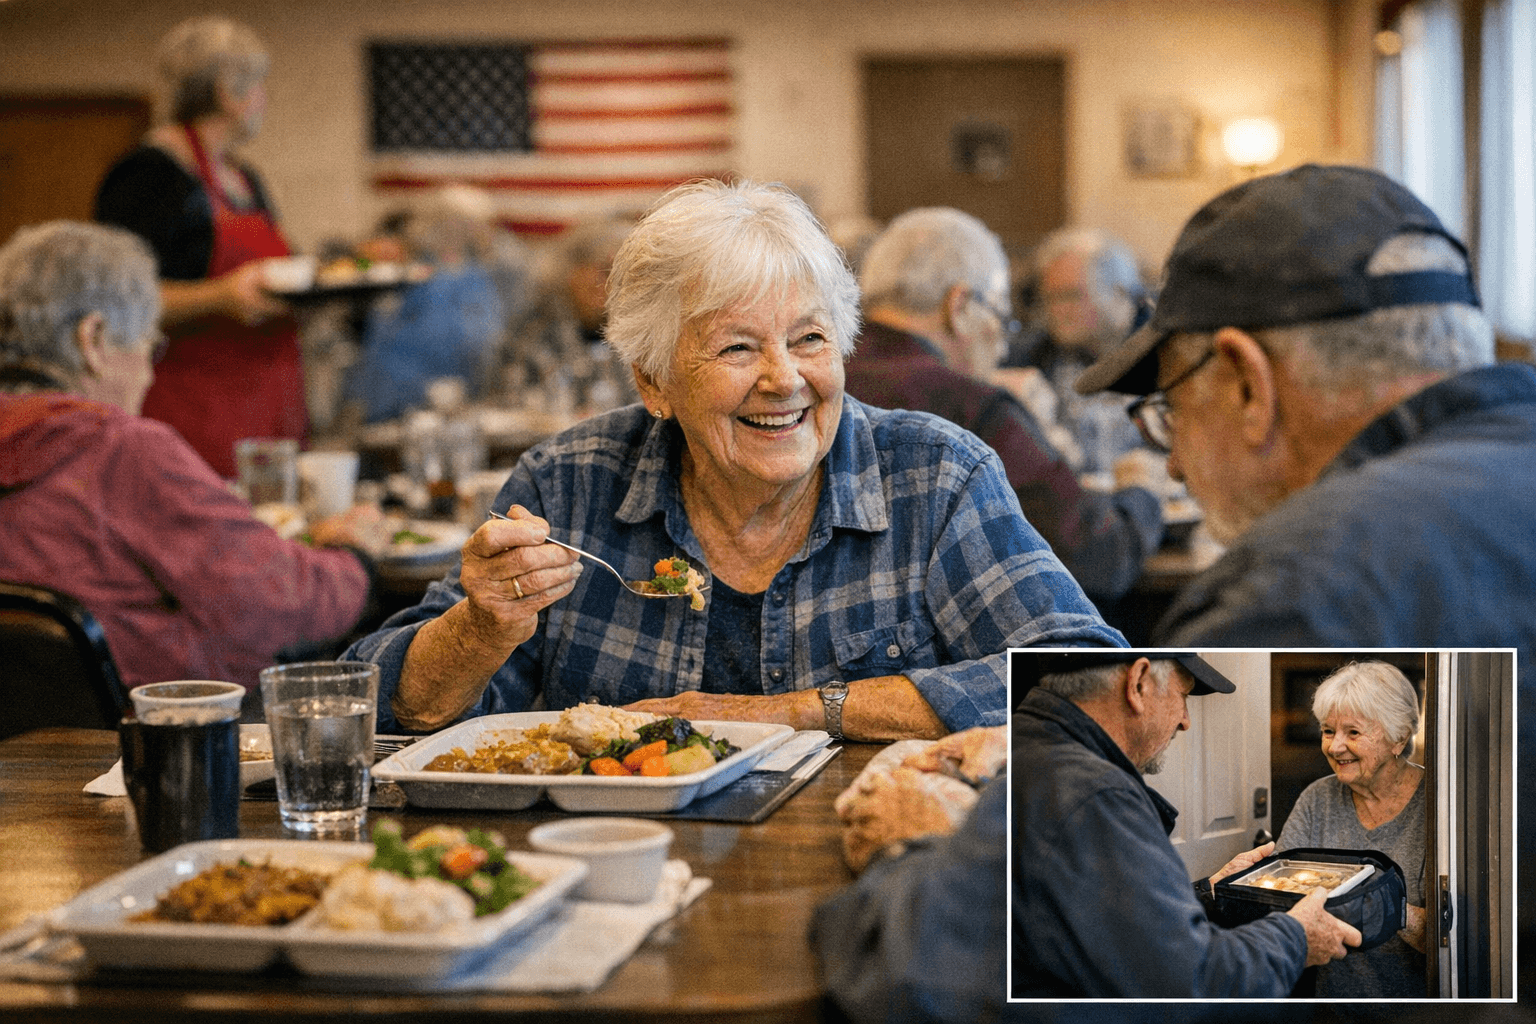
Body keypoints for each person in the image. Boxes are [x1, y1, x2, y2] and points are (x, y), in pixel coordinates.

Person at [344, 179, 1125, 738]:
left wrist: (798, 710)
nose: (785, 379)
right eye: (737, 346)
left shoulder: (935, 477)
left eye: (810, 339)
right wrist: (480, 629)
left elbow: (1087, 677)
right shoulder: (568, 484)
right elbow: (388, 705)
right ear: (653, 382)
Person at [811, 652, 1360, 1015]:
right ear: (1140, 682)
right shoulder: (1090, 792)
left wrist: (1204, 896)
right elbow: (1192, 985)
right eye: (1185, 696)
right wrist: (1296, 936)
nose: (1187, 721)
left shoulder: (1041, 751)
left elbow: (1094, 924)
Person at [0, 222, 382, 695]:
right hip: (149, 742)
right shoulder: (120, 449)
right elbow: (281, 602)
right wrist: (356, 557)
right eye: (148, 344)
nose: (148, 374)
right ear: (93, 340)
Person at [844, 207, 1162, 607]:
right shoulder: (970, 408)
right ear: (959, 307)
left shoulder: (818, 375)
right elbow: (1101, 556)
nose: (1003, 344)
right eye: (998, 315)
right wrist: (1141, 492)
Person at [94, 16, 303, 477]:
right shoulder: (149, 174)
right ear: (230, 92)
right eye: (258, 86)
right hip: (195, 412)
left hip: (266, 402)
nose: (263, 100)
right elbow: (112, 302)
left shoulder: (245, 177)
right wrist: (221, 297)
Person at [1278, 661, 1428, 996]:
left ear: (1398, 737)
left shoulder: (1441, 807)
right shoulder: (1317, 799)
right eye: (1328, 731)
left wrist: (1382, 906)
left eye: (1353, 732)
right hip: (1333, 1007)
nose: (1334, 747)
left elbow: (1456, 937)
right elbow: (1281, 898)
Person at [343, 186, 508, 423]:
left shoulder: (477, 278)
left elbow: (486, 342)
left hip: (460, 407)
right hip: (397, 408)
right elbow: (384, 349)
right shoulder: (408, 275)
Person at [1002, 227, 1149, 474]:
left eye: (1070, 296)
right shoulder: (1028, 359)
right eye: (1050, 298)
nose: (1057, 310)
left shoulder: (1169, 354)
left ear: (1120, 293)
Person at [500, 215, 637, 414]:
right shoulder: (533, 329)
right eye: (603, 271)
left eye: (622, 275)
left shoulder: (639, 329)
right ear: (571, 272)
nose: (610, 284)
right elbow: (512, 399)